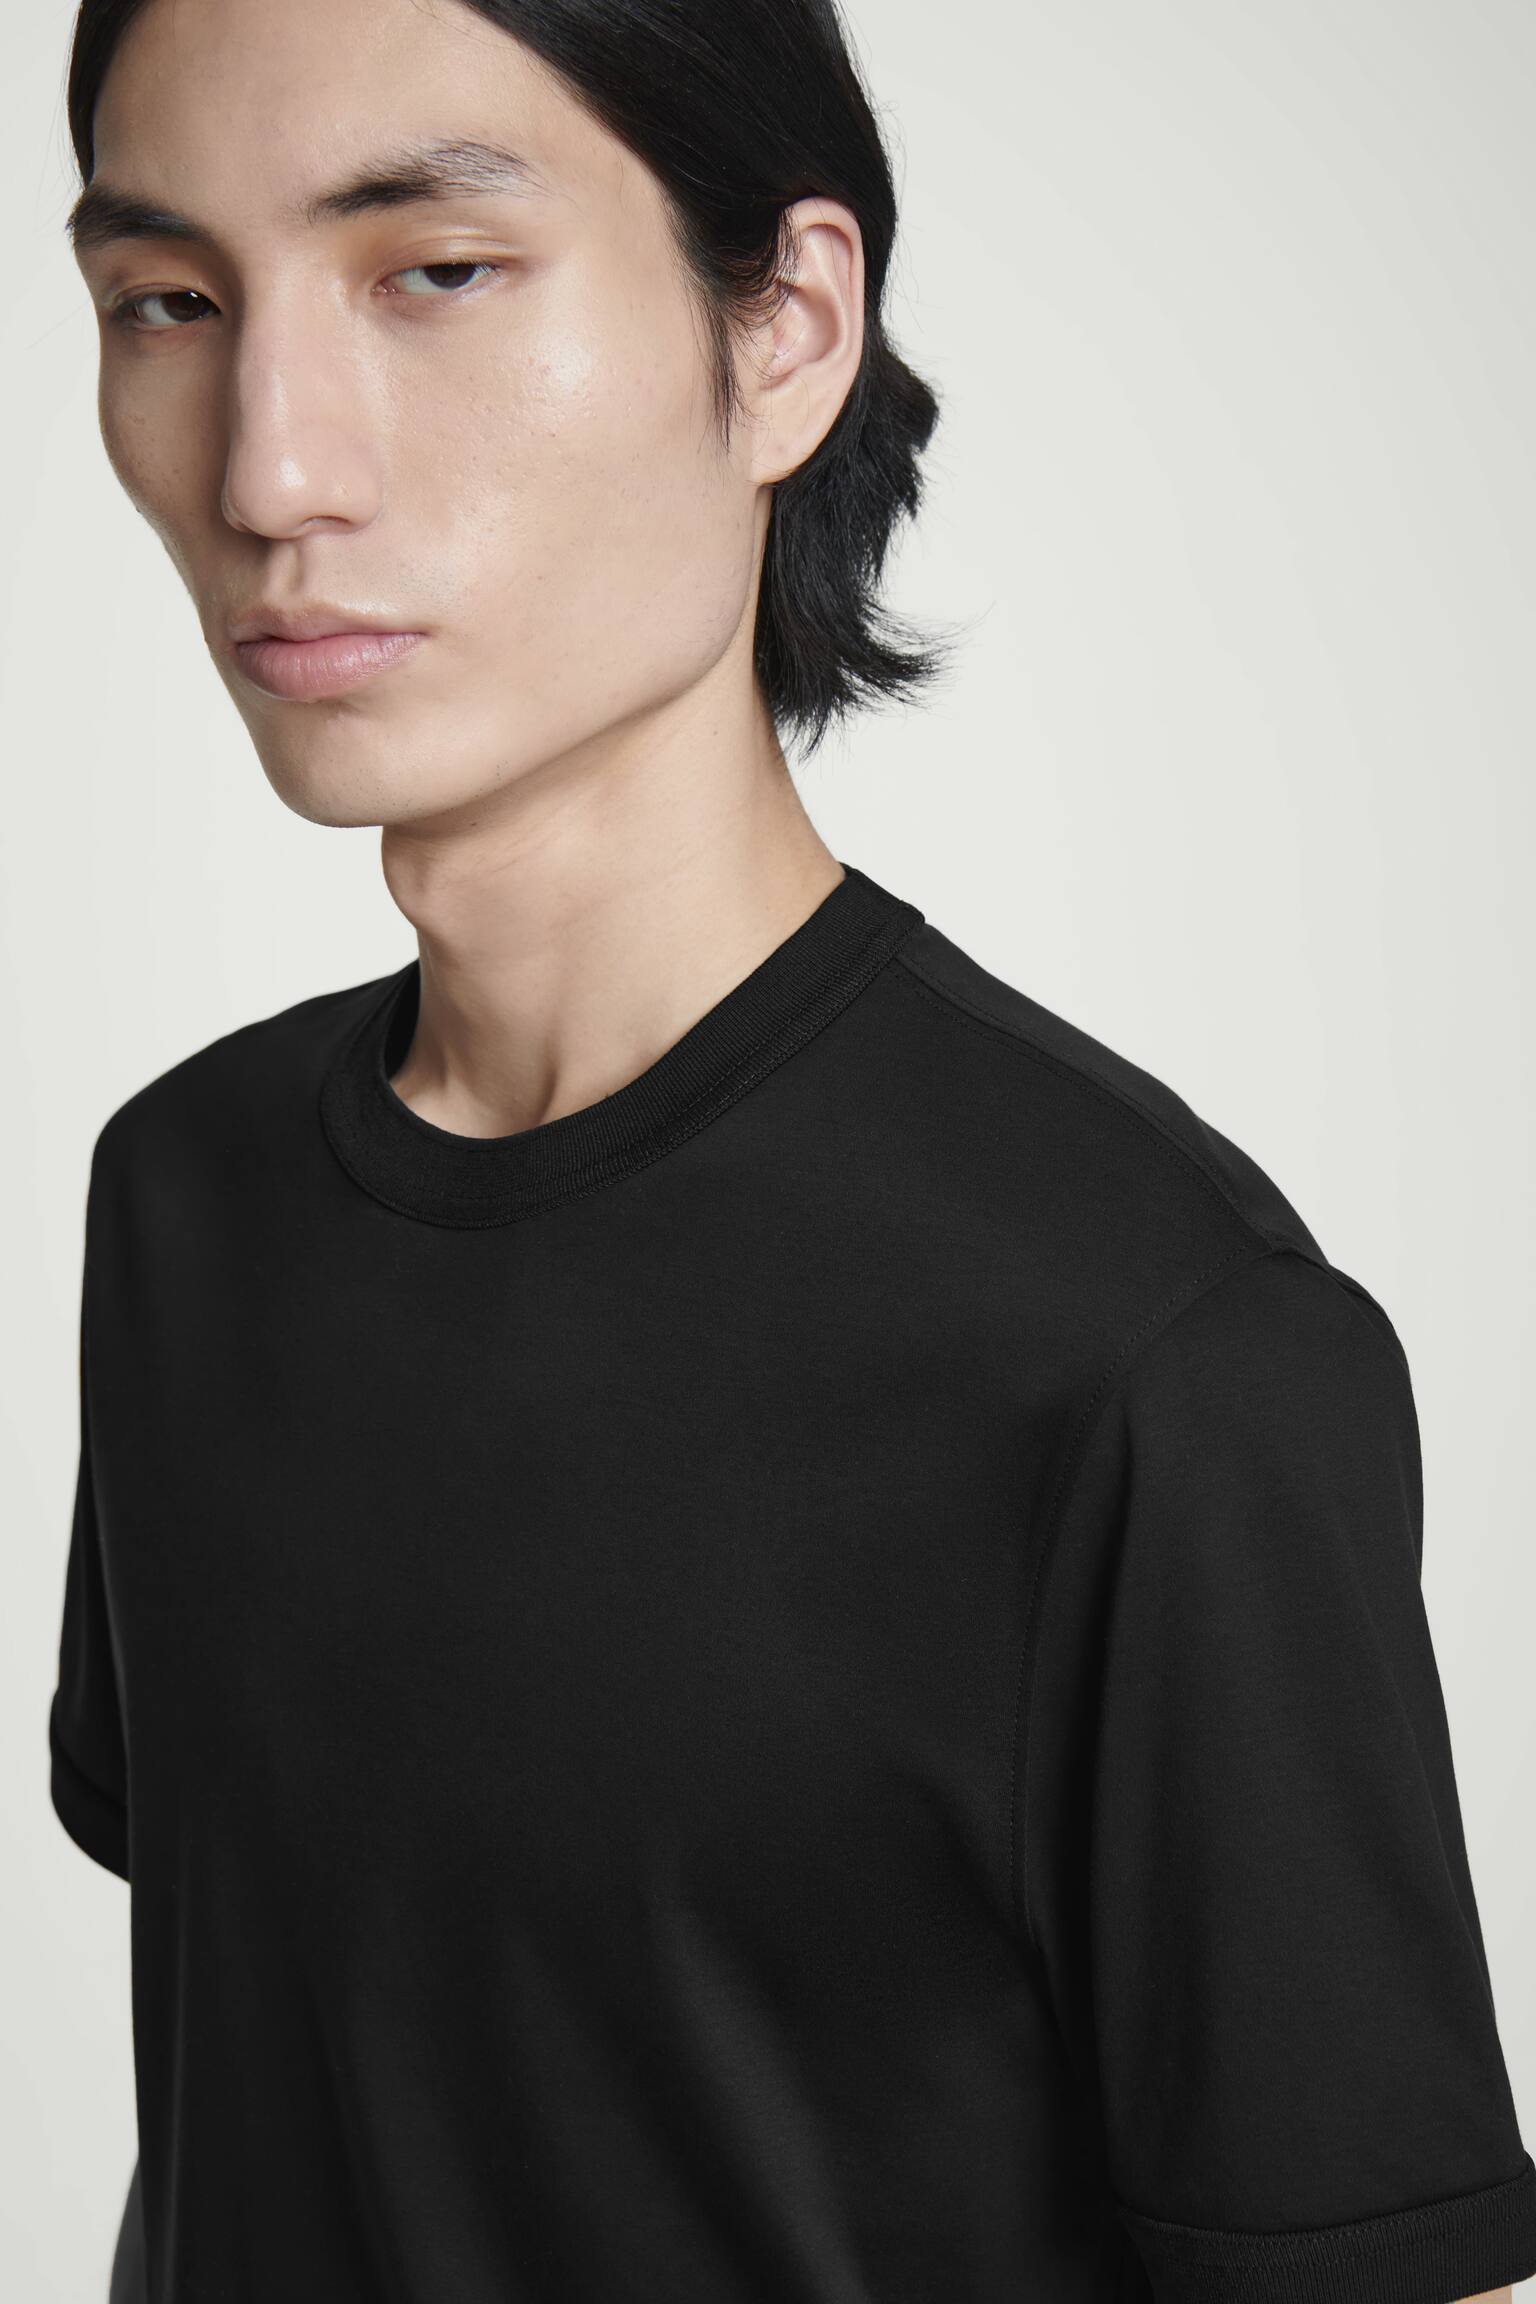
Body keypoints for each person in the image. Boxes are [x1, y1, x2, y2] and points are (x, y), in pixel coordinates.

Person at [49, 0, 1536, 2299]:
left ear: (785, 334)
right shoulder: (185, 1203)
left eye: (435, 272)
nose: (272, 469)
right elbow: (272, 2115)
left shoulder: (1147, 1351)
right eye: (168, 301)